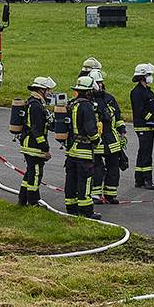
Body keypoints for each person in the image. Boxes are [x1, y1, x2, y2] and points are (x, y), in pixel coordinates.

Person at [57, 75, 103, 217]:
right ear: (88, 91)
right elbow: (90, 129)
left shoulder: (71, 104)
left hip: (71, 150)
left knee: (71, 179)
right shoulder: (87, 106)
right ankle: (86, 211)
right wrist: (97, 140)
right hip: (84, 150)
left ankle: (71, 208)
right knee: (85, 180)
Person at [9, 78, 56, 207]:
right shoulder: (35, 105)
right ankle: (34, 202)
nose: (50, 93)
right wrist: (45, 148)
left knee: (30, 173)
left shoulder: (35, 103)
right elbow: (36, 129)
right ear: (41, 89)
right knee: (35, 174)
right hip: (33, 145)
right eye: (49, 90)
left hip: (29, 143)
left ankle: (22, 200)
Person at [88, 69, 124, 204]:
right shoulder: (88, 100)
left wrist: (122, 131)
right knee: (97, 167)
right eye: (98, 82)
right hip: (97, 140)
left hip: (111, 139)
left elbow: (118, 117)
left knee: (114, 166)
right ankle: (96, 195)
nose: (101, 85)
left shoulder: (109, 98)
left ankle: (110, 194)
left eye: (101, 82)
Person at [128, 63, 154, 190]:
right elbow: (140, 111)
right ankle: (147, 179)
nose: (151, 77)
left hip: (149, 126)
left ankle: (139, 179)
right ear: (142, 76)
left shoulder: (148, 90)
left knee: (143, 152)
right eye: (149, 75)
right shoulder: (136, 92)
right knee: (146, 153)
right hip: (143, 127)